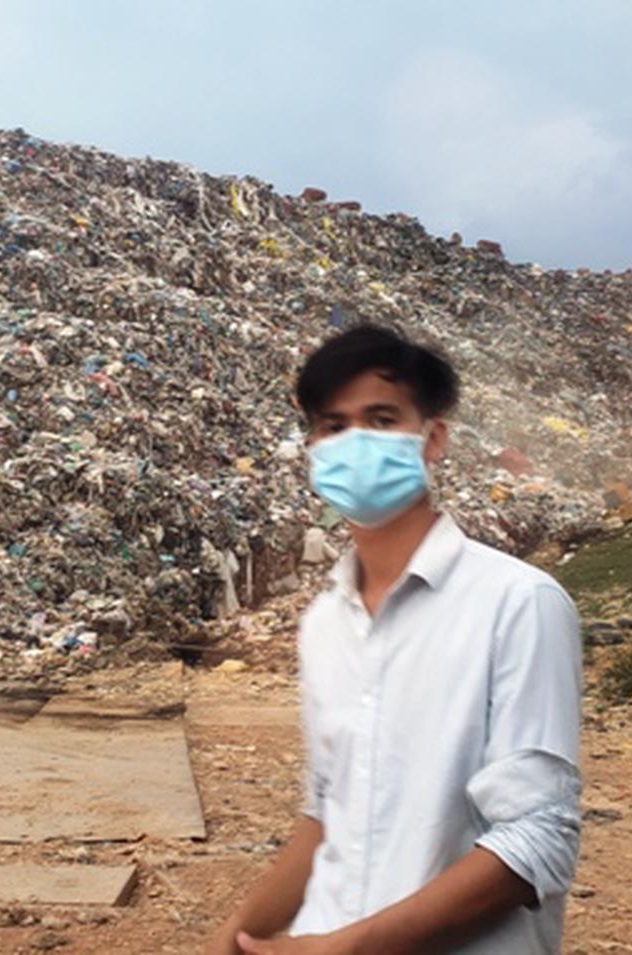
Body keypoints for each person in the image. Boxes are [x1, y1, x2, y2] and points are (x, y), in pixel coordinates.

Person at [206, 324, 583, 955]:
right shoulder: (325, 623)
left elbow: (537, 839)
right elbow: (328, 812)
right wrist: (237, 932)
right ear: (313, 449)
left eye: (382, 420)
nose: (355, 443)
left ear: (432, 439)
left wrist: (347, 948)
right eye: (334, 426)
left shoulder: (517, 604)